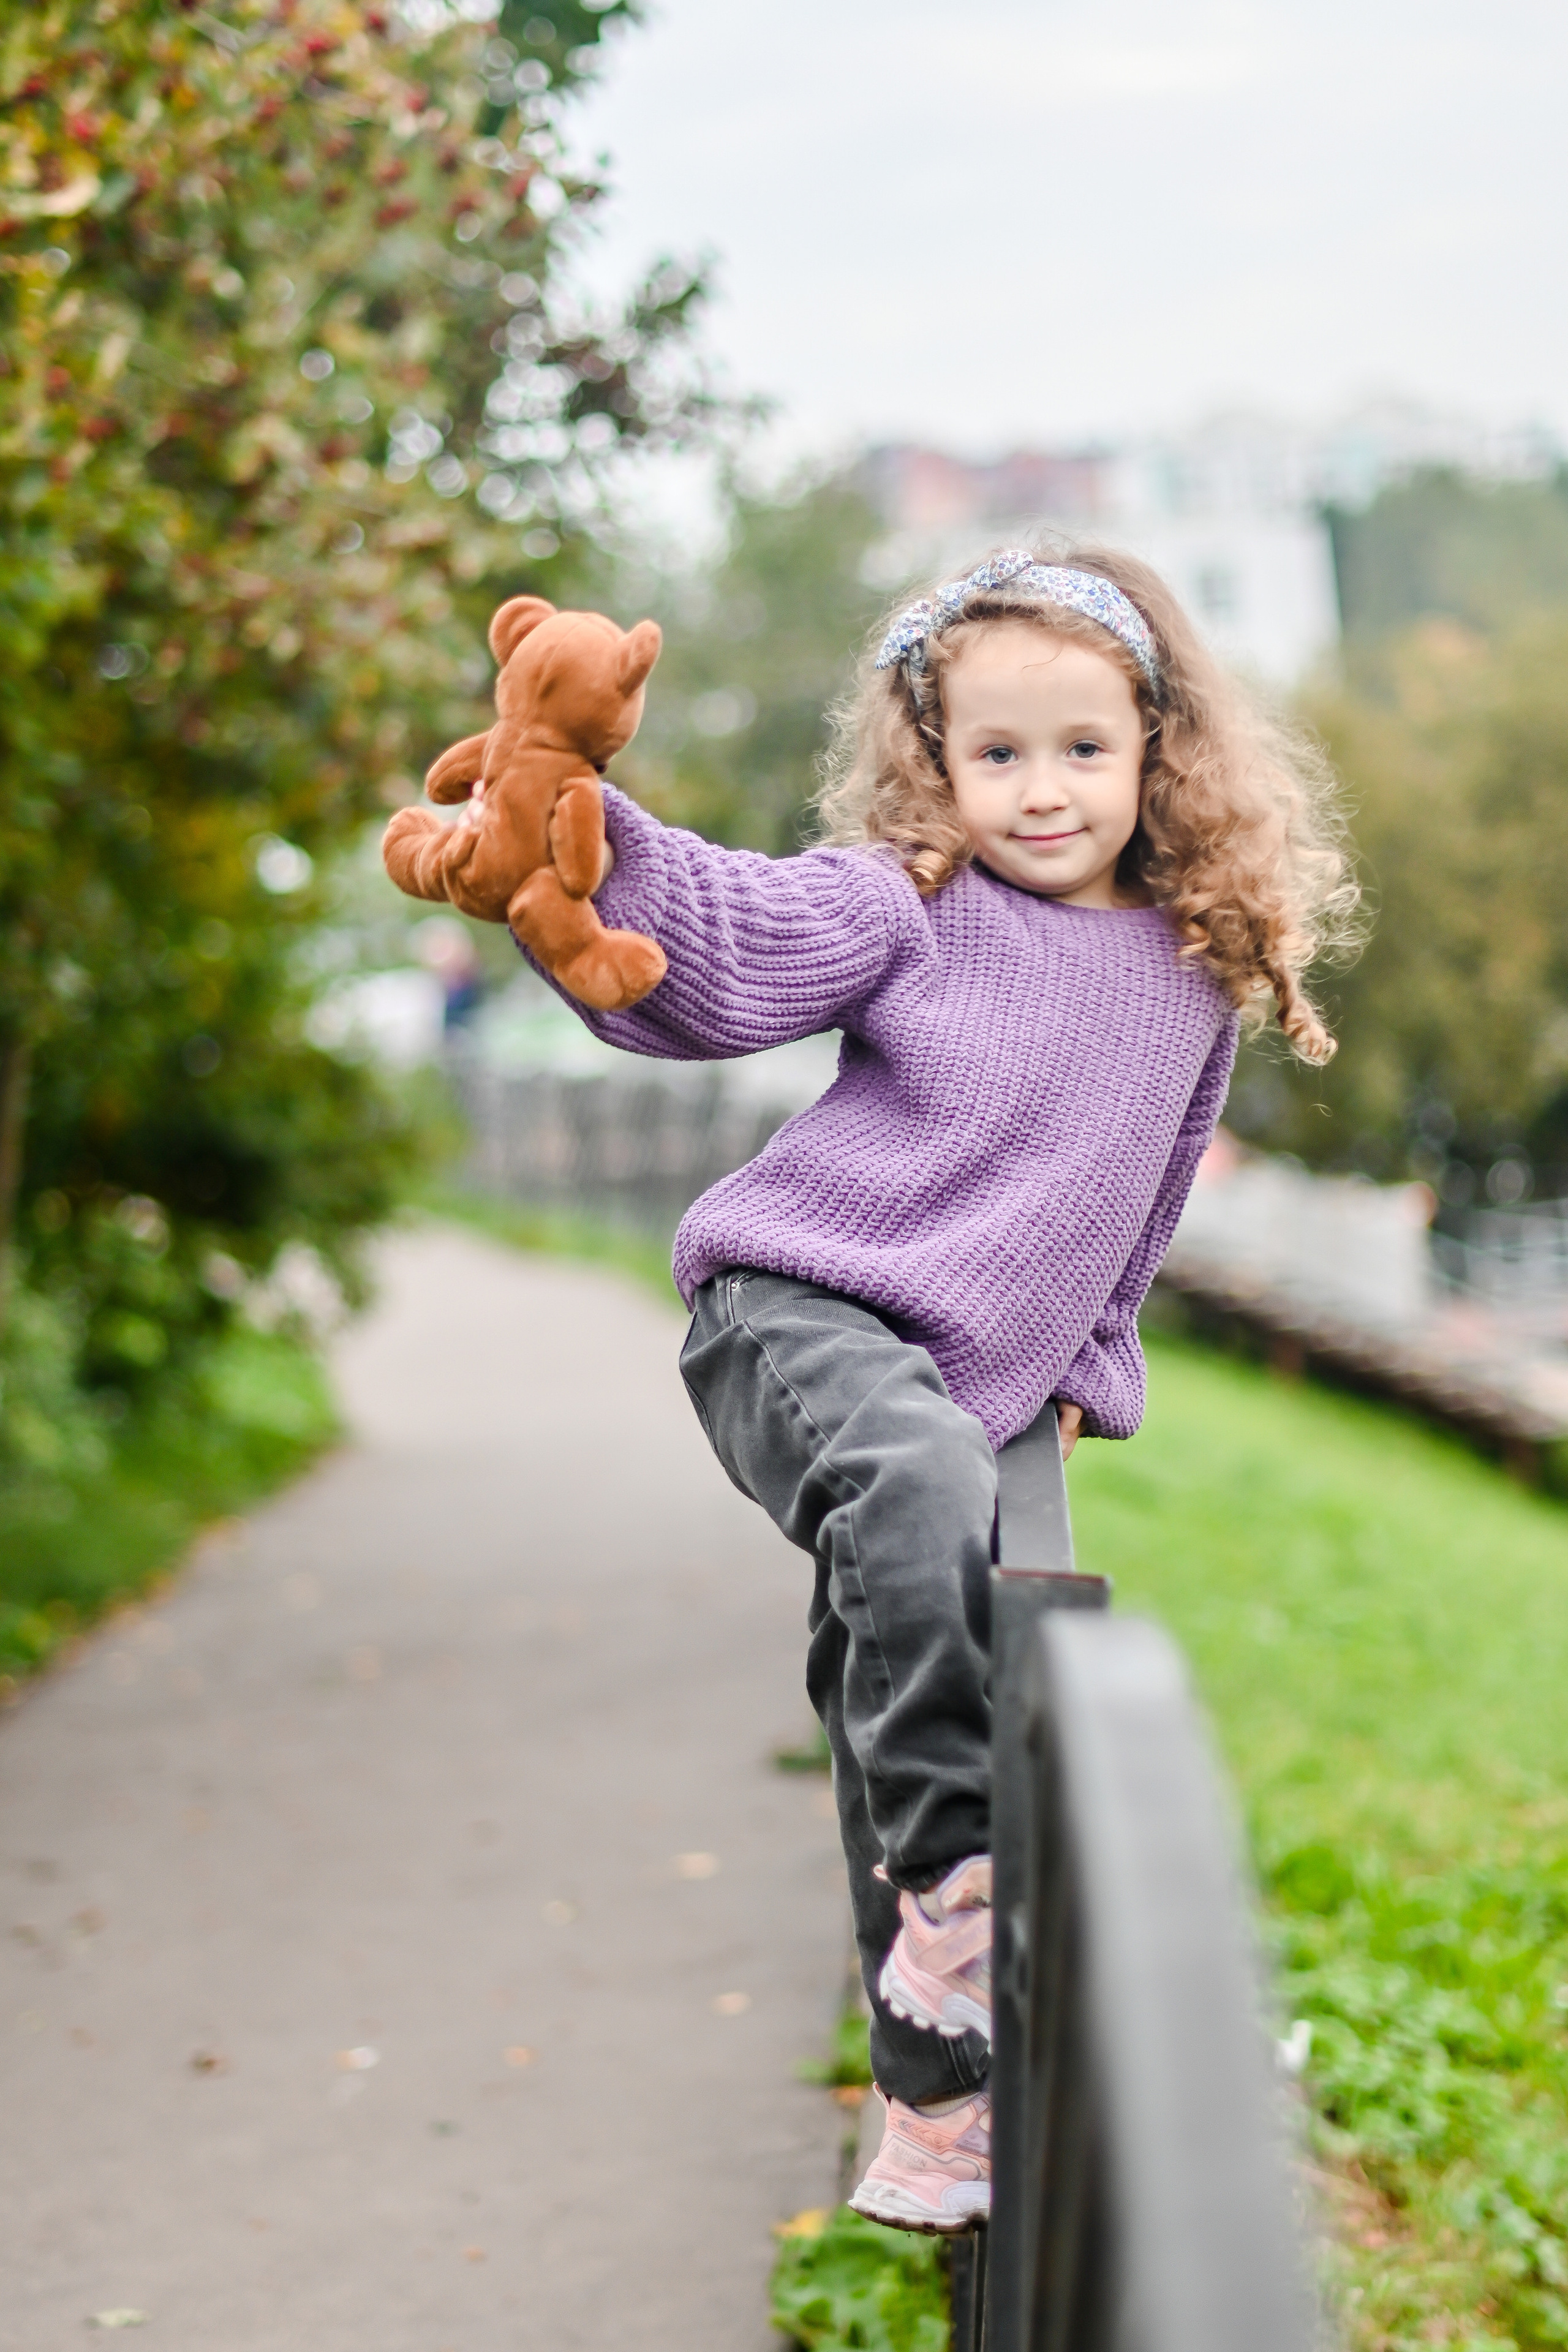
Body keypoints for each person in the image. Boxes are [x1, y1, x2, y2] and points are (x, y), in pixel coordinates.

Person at [522, 546, 1355, 2231]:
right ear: (935, 763)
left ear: (1156, 751)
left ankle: (936, 2100)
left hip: (960, 1379)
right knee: (915, 1493)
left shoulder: (1195, 963)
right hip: (796, 1305)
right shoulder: (906, 899)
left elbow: (1147, 1192)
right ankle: (967, 1902)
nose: (1039, 794)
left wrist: (1092, 1368)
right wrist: (599, 839)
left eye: (1080, 751)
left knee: (900, 1638)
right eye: (996, 756)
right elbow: (739, 931)